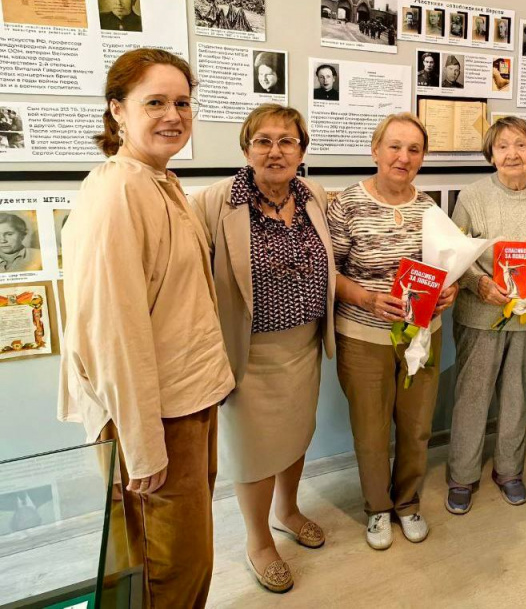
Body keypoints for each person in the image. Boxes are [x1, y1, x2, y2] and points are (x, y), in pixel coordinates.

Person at [57, 48, 235, 607]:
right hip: (154, 415)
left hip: (185, 401)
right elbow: (112, 333)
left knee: (186, 556)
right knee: (166, 567)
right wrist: (141, 446)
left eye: (182, 102)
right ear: (118, 110)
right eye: (155, 102)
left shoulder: (159, 181)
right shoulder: (117, 193)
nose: (173, 115)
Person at [190, 105, 335, 594]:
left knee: (295, 436)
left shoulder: (312, 195)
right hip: (247, 353)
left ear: (301, 150)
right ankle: (258, 540)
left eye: (287, 141)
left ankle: (287, 511)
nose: (276, 151)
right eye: (263, 141)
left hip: (304, 346)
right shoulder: (215, 202)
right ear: (246, 148)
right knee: (253, 451)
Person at [327, 113, 458, 551]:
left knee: (417, 426)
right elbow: (329, 272)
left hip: (421, 334)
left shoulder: (430, 209)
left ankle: (408, 503)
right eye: (395, 146)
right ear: (375, 150)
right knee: (371, 430)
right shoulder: (346, 204)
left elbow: (445, 266)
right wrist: (367, 298)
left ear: (423, 157)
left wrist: (450, 289)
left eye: (414, 149)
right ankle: (377, 508)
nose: (404, 157)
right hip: (364, 336)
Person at [445, 117, 526, 515]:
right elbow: (455, 255)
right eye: (502, 146)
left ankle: (510, 470)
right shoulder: (472, 196)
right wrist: (478, 284)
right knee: (473, 397)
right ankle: (462, 475)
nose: (512, 154)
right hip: (480, 313)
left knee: (517, 395)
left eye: (521, 145)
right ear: (491, 154)